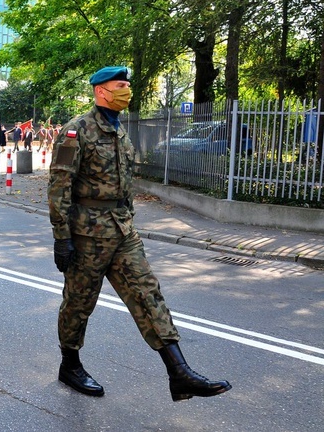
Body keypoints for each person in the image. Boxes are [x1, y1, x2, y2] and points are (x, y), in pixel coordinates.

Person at [48, 66, 231, 401]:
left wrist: (128, 215)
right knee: (78, 302)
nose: (127, 90)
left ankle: (179, 373)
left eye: (128, 85)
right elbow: (59, 185)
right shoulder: (77, 131)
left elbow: (124, 182)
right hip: (88, 233)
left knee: (147, 294)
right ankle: (69, 364)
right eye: (121, 85)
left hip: (122, 230)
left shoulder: (120, 131)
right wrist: (62, 236)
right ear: (101, 90)